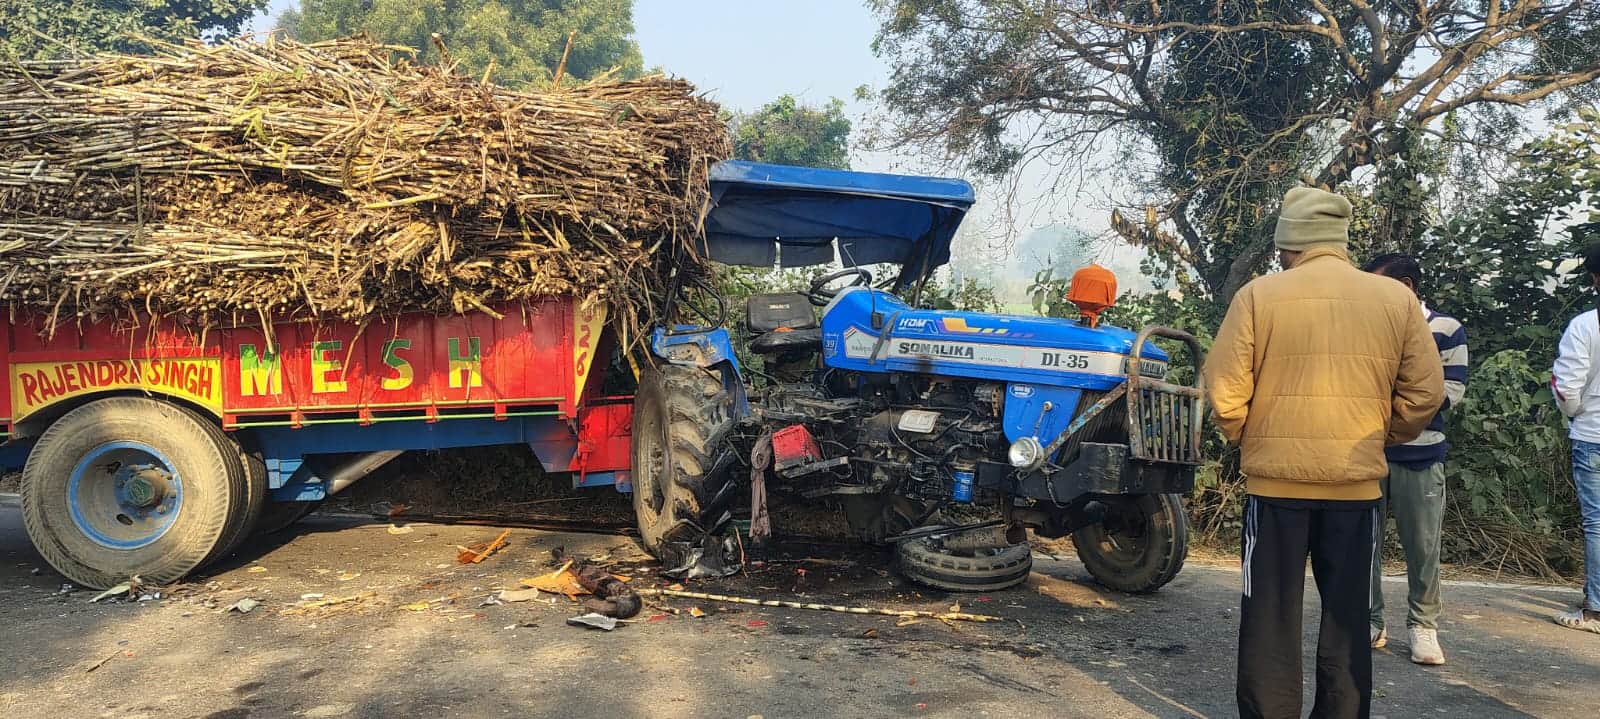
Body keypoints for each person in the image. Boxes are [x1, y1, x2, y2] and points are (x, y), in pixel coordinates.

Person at [1204, 186, 1444, 719]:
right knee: (1348, 618)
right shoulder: (1396, 300)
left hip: (1275, 490)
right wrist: (1384, 434)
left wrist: (1253, 434)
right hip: (1357, 488)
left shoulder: (1258, 297)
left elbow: (1224, 389)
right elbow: (1427, 392)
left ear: (1290, 243)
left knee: (1269, 617)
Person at [1363, 254, 1467, 665]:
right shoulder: (1367, 331)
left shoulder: (1446, 329)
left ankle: (1423, 626)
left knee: (1422, 545)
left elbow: (1448, 393)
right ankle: (1370, 619)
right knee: (1363, 542)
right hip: (1368, 454)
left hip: (1422, 455)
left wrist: (1390, 409)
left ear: (1405, 286)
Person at [1551, 244, 1600, 634]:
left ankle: (1595, 608)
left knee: (1597, 522)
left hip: (1593, 433)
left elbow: (1567, 389)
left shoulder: (1586, 325)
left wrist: (1576, 413)